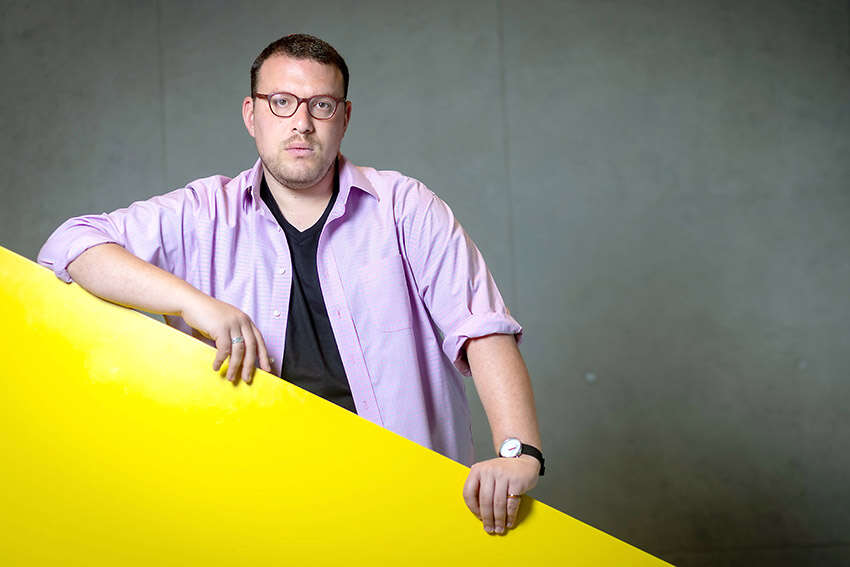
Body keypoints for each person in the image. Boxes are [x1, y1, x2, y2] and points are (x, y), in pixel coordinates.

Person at [38, 34, 544, 536]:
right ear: (251, 114)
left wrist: (518, 453)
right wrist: (194, 304)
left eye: (321, 105)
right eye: (282, 102)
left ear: (344, 118)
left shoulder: (405, 208)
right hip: (252, 505)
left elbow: (482, 328)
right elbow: (72, 244)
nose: (301, 122)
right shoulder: (202, 214)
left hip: (403, 505)